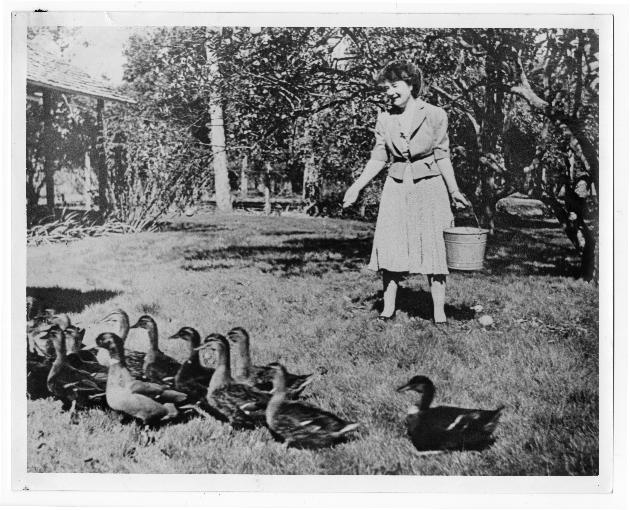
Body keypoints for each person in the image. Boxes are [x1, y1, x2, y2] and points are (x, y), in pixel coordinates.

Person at [343, 61, 468, 323]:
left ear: (411, 84)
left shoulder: (435, 114)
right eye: (385, 88)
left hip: (430, 186)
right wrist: (356, 186)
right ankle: (388, 310)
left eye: (394, 86)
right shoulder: (384, 118)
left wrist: (453, 190)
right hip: (396, 187)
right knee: (391, 244)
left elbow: (442, 156)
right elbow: (378, 158)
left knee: (434, 246)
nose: (389, 92)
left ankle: (439, 313)